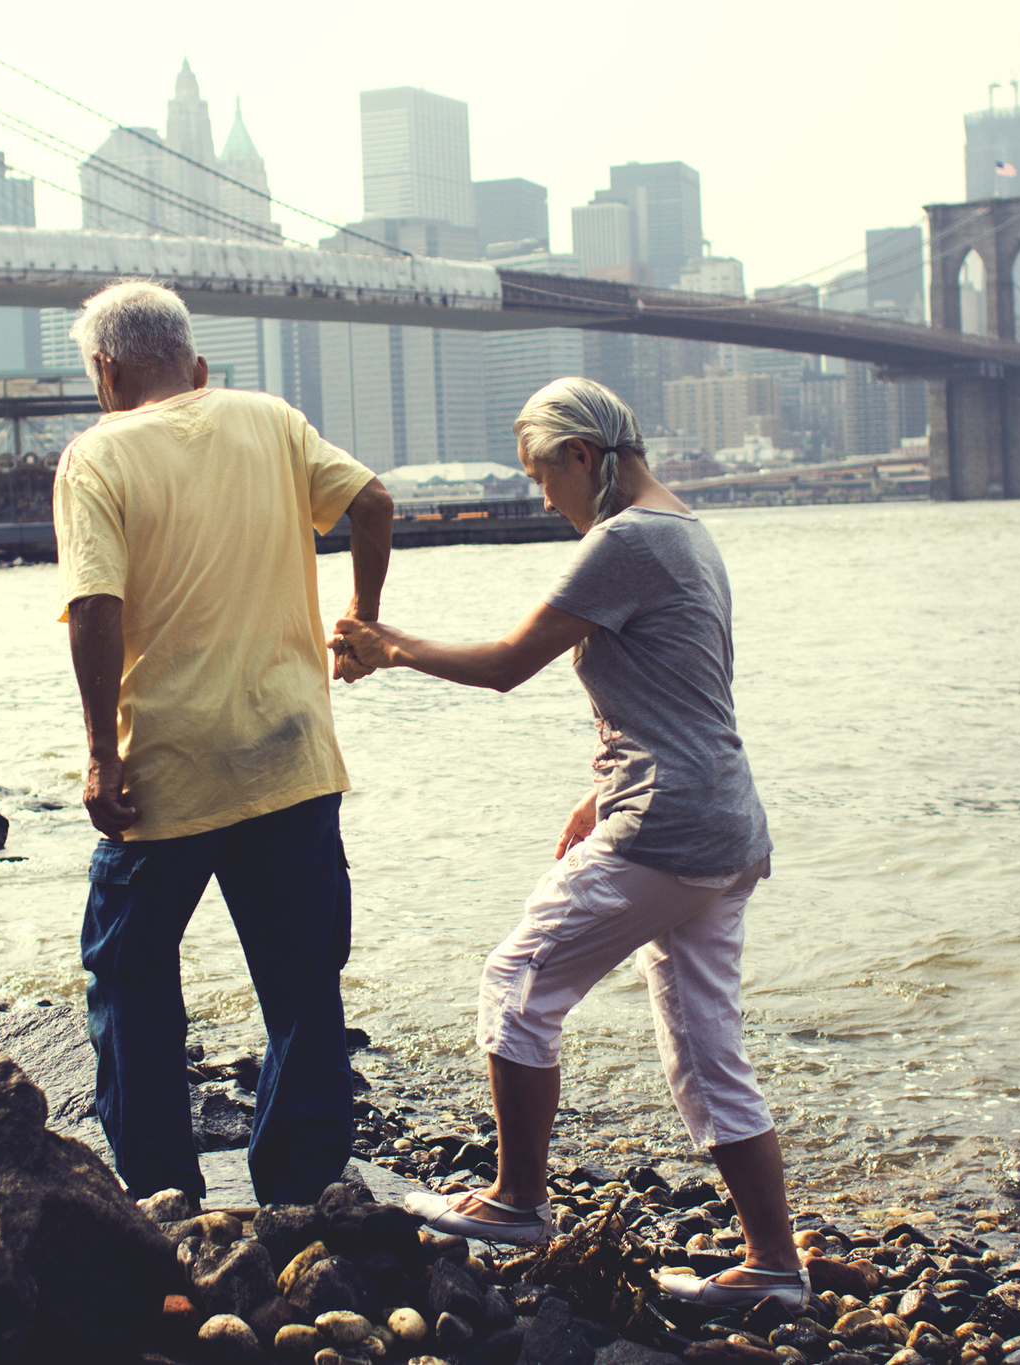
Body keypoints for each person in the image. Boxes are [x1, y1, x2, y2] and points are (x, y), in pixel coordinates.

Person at [332, 377, 806, 1310]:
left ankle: (515, 1200)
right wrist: (598, 790)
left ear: (584, 456)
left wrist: (388, 644)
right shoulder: (690, 534)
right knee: (710, 1050)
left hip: (667, 826)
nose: (541, 497)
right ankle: (774, 1266)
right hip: (723, 824)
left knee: (516, 983)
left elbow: (509, 665)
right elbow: (683, 691)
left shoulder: (623, 540)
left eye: (542, 475)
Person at [54, 280, 395, 1207]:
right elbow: (374, 504)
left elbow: (94, 606)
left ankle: (163, 1194)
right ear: (198, 367)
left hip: (166, 773)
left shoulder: (96, 456)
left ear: (106, 372)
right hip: (291, 755)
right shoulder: (274, 421)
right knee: (302, 987)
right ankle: (301, 1192)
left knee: (130, 978)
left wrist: (99, 753)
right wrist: (361, 622)